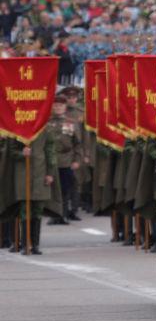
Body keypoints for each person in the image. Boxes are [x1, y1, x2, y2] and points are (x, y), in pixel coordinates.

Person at [10, 117, 56, 255]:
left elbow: (50, 151)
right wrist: (21, 153)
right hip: (23, 175)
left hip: (40, 173)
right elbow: (11, 151)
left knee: (38, 210)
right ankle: (25, 244)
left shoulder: (45, 129)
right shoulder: (18, 128)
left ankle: (35, 245)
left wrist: (50, 173)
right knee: (25, 209)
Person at [48, 93, 84, 224]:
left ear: (64, 107)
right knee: (52, 189)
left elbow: (78, 143)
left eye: (60, 105)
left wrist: (77, 160)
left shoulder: (71, 123)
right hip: (51, 160)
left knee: (65, 189)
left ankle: (63, 214)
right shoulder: (47, 122)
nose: (58, 108)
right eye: (56, 105)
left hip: (66, 159)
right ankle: (54, 215)